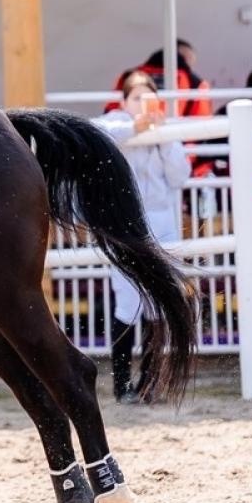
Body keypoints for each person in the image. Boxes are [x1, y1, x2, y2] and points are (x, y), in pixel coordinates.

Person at [95, 71, 191, 403]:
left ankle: (150, 383)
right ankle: (121, 385)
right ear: (124, 101)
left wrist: (161, 136)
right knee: (126, 301)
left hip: (162, 221)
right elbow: (100, 131)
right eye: (136, 98)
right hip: (125, 222)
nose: (142, 105)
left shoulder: (164, 129)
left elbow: (181, 175)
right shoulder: (114, 123)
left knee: (158, 304)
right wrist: (137, 128)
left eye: (148, 98)